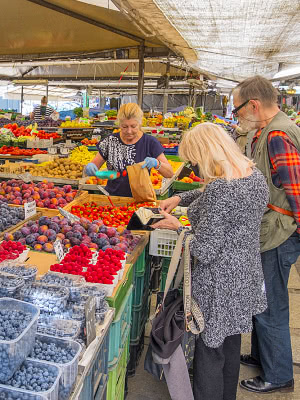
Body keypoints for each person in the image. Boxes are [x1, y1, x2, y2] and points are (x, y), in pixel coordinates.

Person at [152, 122, 269, 400]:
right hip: (245, 275)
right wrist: (181, 196)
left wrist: (177, 227)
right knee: (229, 345)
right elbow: (213, 195)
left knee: (208, 355)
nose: (194, 167)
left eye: (194, 160)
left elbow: (205, 250)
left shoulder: (221, 191)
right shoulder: (252, 175)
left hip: (217, 285)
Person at [232, 75, 300, 394]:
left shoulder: (277, 135)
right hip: (270, 228)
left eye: (237, 110)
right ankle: (262, 356)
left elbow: (296, 191)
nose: (236, 116)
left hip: (279, 232)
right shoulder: (266, 132)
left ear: (254, 105)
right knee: (263, 296)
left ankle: (279, 374)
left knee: (271, 303)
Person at [85, 103, 173, 197]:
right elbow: (94, 165)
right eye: (124, 127)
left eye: (133, 126)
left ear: (139, 123)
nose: (129, 131)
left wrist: (157, 163)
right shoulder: (110, 141)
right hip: (113, 199)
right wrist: (91, 167)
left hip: (140, 199)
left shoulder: (150, 142)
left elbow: (169, 173)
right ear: (119, 124)